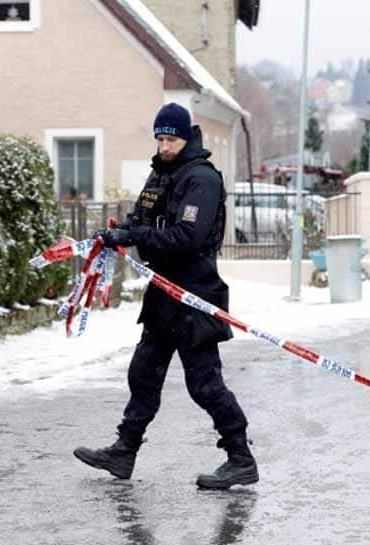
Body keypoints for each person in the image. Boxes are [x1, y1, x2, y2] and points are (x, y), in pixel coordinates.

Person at [73, 103, 257, 490]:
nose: (164, 145)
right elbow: (140, 220)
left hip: (195, 296)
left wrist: (135, 237)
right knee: (143, 374)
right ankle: (124, 452)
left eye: (170, 138)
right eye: (159, 138)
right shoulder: (159, 173)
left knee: (205, 386)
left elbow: (186, 238)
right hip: (162, 296)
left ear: (186, 137)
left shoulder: (202, 180)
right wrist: (118, 233)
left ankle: (240, 458)